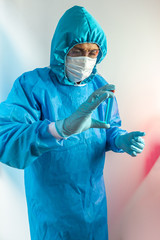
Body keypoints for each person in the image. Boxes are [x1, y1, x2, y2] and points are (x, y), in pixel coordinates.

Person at [0, 5, 145, 240]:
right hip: (51, 210)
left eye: (92, 52)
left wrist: (120, 139)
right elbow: (5, 136)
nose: (85, 59)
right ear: (61, 49)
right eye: (78, 50)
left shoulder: (99, 86)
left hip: (93, 204)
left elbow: (108, 128)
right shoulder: (32, 86)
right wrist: (59, 128)